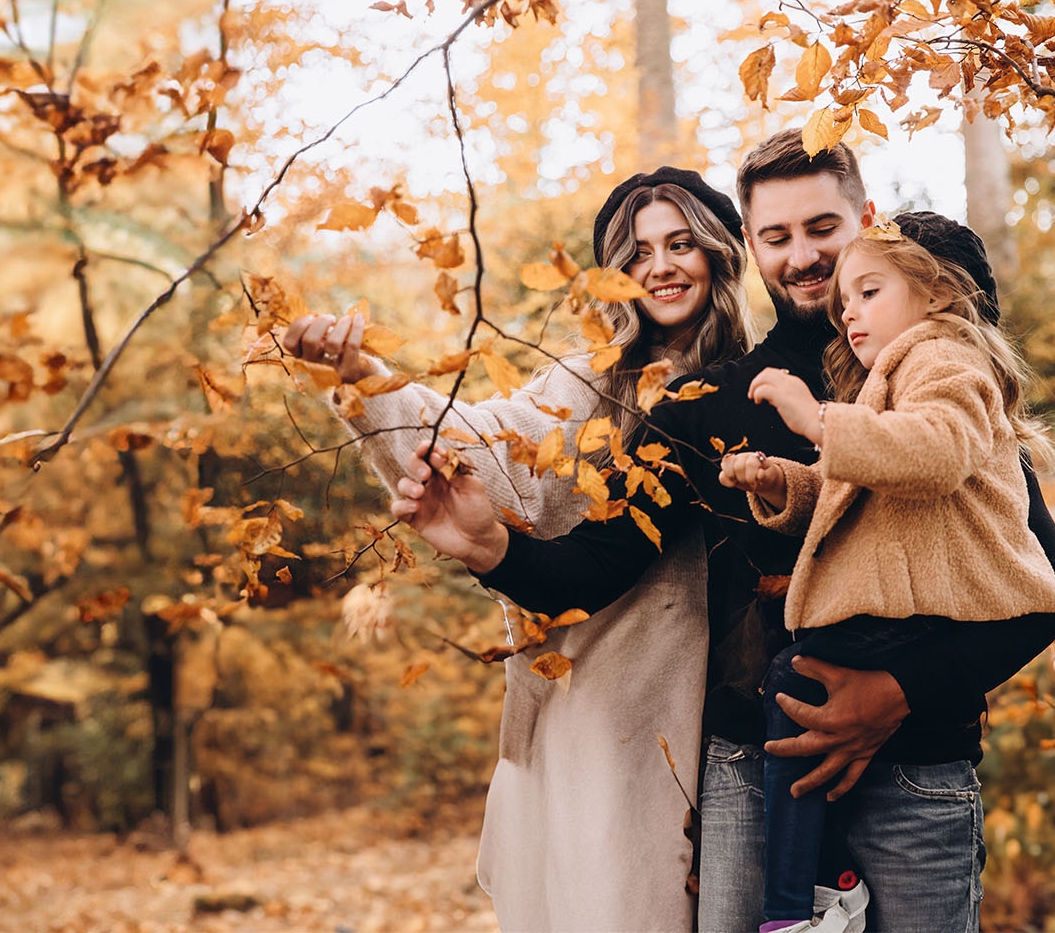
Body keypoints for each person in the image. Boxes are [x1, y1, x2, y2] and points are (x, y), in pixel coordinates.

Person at [392, 129, 1055, 933]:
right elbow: (593, 567)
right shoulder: (706, 406)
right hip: (752, 774)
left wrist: (897, 695)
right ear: (750, 247)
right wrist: (488, 546)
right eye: (777, 237)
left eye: (823, 229)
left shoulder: (934, 377)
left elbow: (1051, 592)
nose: (803, 257)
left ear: (866, 220)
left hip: (916, 768)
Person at [282, 167, 756, 931]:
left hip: (742, 731)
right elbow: (487, 444)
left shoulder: (763, 380)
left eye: (681, 244)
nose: (661, 266)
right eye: (636, 254)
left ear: (720, 254)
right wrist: (364, 377)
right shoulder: (591, 385)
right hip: (612, 716)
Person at [718, 213, 1055, 932]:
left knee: (791, 680)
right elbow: (856, 490)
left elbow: (933, 453)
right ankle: (812, 896)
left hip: (917, 632)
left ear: (935, 293)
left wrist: (816, 419)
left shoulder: (945, 359)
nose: (848, 312)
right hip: (896, 634)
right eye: (845, 301)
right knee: (792, 689)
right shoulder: (887, 386)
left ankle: (793, 908)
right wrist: (779, 482)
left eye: (868, 290)